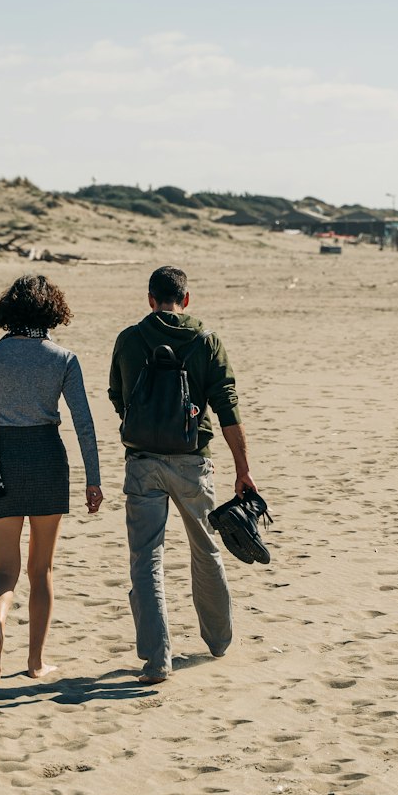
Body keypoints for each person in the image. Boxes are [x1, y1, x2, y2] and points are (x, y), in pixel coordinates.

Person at [0, 274, 103, 686]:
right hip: (47, 460)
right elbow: (84, 424)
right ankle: (36, 662)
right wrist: (93, 480)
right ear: (52, 311)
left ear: (9, 310)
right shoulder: (64, 358)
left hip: (0, 463)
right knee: (40, 569)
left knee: (4, 570)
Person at [108, 265, 258, 684]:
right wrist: (243, 469)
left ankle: (157, 660)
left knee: (146, 559)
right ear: (186, 299)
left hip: (142, 463)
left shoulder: (130, 339)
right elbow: (228, 406)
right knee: (205, 548)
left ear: (150, 299)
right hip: (194, 462)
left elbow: (116, 395)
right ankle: (219, 641)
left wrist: (141, 424)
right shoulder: (205, 340)